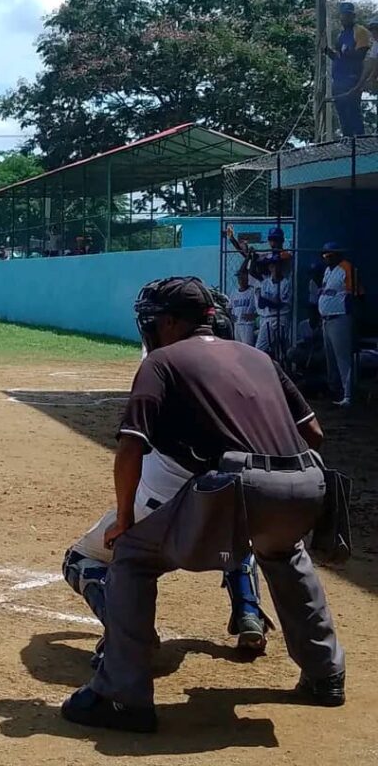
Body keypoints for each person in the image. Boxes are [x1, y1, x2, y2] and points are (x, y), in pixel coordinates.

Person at [61, 277, 345, 734]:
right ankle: (325, 676)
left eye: (155, 321)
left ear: (171, 323)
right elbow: (314, 435)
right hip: (309, 485)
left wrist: (127, 518)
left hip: (239, 485)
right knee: (285, 554)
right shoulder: (259, 356)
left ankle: (121, 697)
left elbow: (131, 448)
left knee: (132, 557)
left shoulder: (163, 361)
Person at [319, 242, 360, 407]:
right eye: (325, 255)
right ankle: (335, 392)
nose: (326, 257)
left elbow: (354, 294)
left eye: (329, 254)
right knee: (331, 359)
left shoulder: (346, 267)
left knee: (343, 359)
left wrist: (350, 316)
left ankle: (348, 396)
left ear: (336, 254)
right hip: (326, 319)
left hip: (340, 318)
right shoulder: (328, 271)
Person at [325, 2, 371, 137]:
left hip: (352, 79)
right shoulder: (341, 35)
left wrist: (344, 52)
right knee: (342, 115)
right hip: (338, 80)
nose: (345, 18)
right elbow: (339, 58)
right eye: (344, 15)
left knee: (353, 113)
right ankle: (347, 142)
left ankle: (360, 143)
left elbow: (360, 55)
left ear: (353, 16)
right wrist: (327, 51)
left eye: (348, 15)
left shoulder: (360, 31)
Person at [256, 254, 292, 361]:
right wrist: (270, 301)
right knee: (260, 347)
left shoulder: (286, 283)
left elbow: (279, 304)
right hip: (267, 318)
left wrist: (268, 301)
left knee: (281, 348)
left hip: (282, 317)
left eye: (277, 265)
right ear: (269, 267)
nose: (275, 268)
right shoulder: (265, 283)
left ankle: (283, 372)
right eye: (273, 266)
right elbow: (261, 304)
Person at [229, 267, 258, 345]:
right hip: (237, 324)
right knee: (238, 348)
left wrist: (254, 315)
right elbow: (229, 307)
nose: (241, 280)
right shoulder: (234, 293)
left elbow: (260, 308)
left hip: (247, 325)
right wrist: (231, 315)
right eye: (239, 278)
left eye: (243, 278)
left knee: (248, 347)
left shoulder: (252, 292)